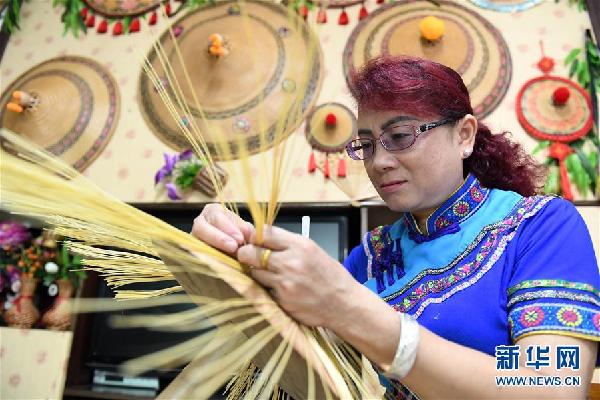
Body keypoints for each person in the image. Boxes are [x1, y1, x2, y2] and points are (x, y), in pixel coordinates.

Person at [192, 56, 600, 399]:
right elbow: (311, 376)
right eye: (366, 144)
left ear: (464, 135)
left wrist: (351, 309)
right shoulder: (371, 255)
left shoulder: (538, 227)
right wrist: (230, 280)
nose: (378, 162)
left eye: (401, 136)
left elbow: (554, 385)